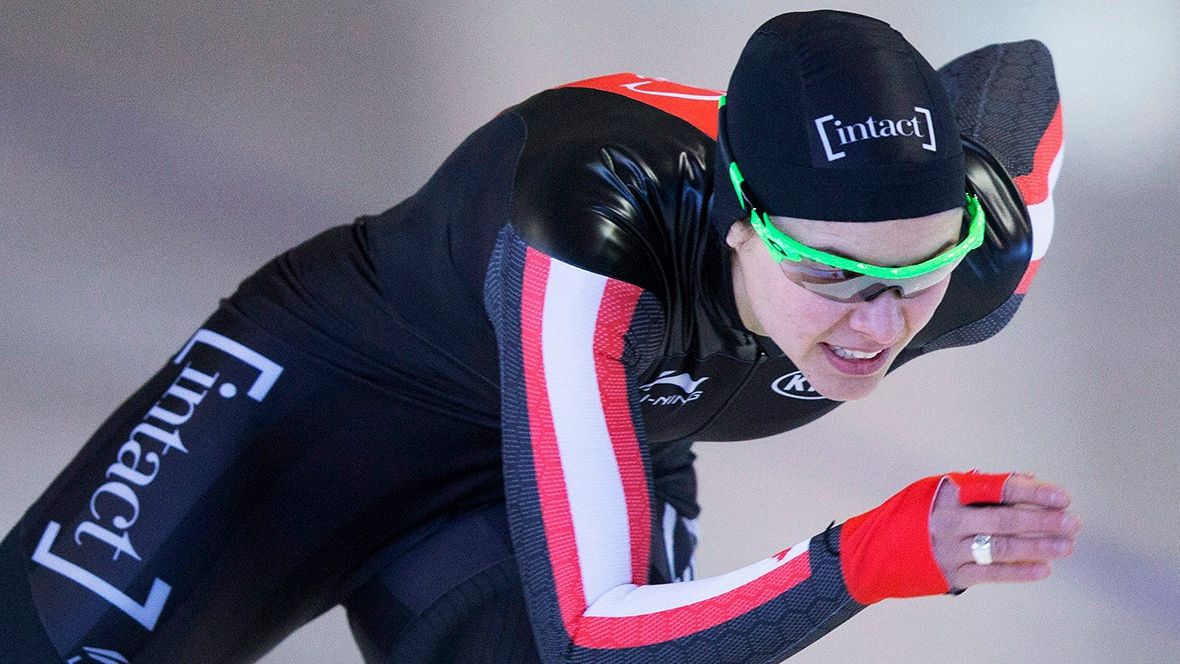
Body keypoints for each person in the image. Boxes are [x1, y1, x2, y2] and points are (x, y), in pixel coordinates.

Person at [0, 10, 1077, 664]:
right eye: (830, 276)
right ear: (737, 224)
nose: (878, 325)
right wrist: (871, 556)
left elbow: (1022, 71)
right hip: (315, 418)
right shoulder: (593, 231)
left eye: (915, 276)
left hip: (542, 478)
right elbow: (591, 631)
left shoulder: (984, 252)